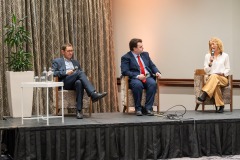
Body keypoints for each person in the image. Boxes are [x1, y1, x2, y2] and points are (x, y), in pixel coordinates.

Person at [52, 43, 107, 119]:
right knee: (79, 72)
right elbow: (54, 73)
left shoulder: (75, 62)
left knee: (79, 83)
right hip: (65, 82)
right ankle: (93, 93)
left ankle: (79, 111)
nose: (71, 53)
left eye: (72, 51)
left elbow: (80, 76)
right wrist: (66, 73)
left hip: (74, 83)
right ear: (63, 52)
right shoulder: (57, 61)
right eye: (68, 51)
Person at [121, 38, 162, 116]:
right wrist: (137, 76)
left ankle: (148, 108)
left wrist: (157, 72)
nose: (143, 48)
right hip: (135, 78)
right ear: (134, 48)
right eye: (140, 47)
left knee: (152, 83)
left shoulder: (145, 54)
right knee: (137, 85)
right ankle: (138, 108)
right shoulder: (126, 57)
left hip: (147, 77)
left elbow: (152, 65)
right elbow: (125, 71)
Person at [197, 37, 230, 113]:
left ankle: (204, 94)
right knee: (215, 83)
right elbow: (206, 70)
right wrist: (210, 63)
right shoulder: (207, 56)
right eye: (210, 44)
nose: (212, 46)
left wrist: (223, 73)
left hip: (223, 78)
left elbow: (228, 68)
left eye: (213, 44)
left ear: (218, 45)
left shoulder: (225, 56)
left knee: (214, 76)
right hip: (212, 79)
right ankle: (221, 106)